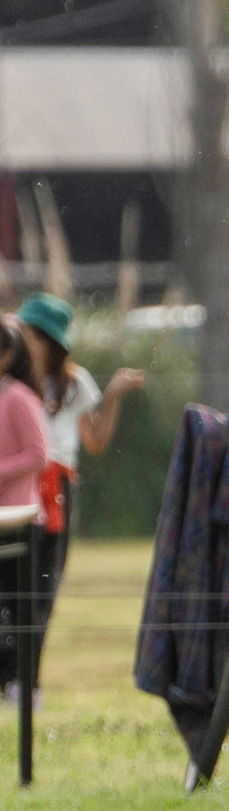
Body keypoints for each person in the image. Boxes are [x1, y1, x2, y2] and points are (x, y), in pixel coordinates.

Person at [14, 292, 145, 655]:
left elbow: (95, 442)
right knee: (12, 582)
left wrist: (113, 397)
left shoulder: (75, 384)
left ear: (46, 340)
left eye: (25, 331)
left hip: (57, 486)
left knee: (44, 583)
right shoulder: (12, 382)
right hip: (16, 485)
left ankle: (26, 683)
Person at [0, 319, 47, 706]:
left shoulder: (18, 398)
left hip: (19, 519)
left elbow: (37, 454)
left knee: (19, 606)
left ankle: (23, 684)